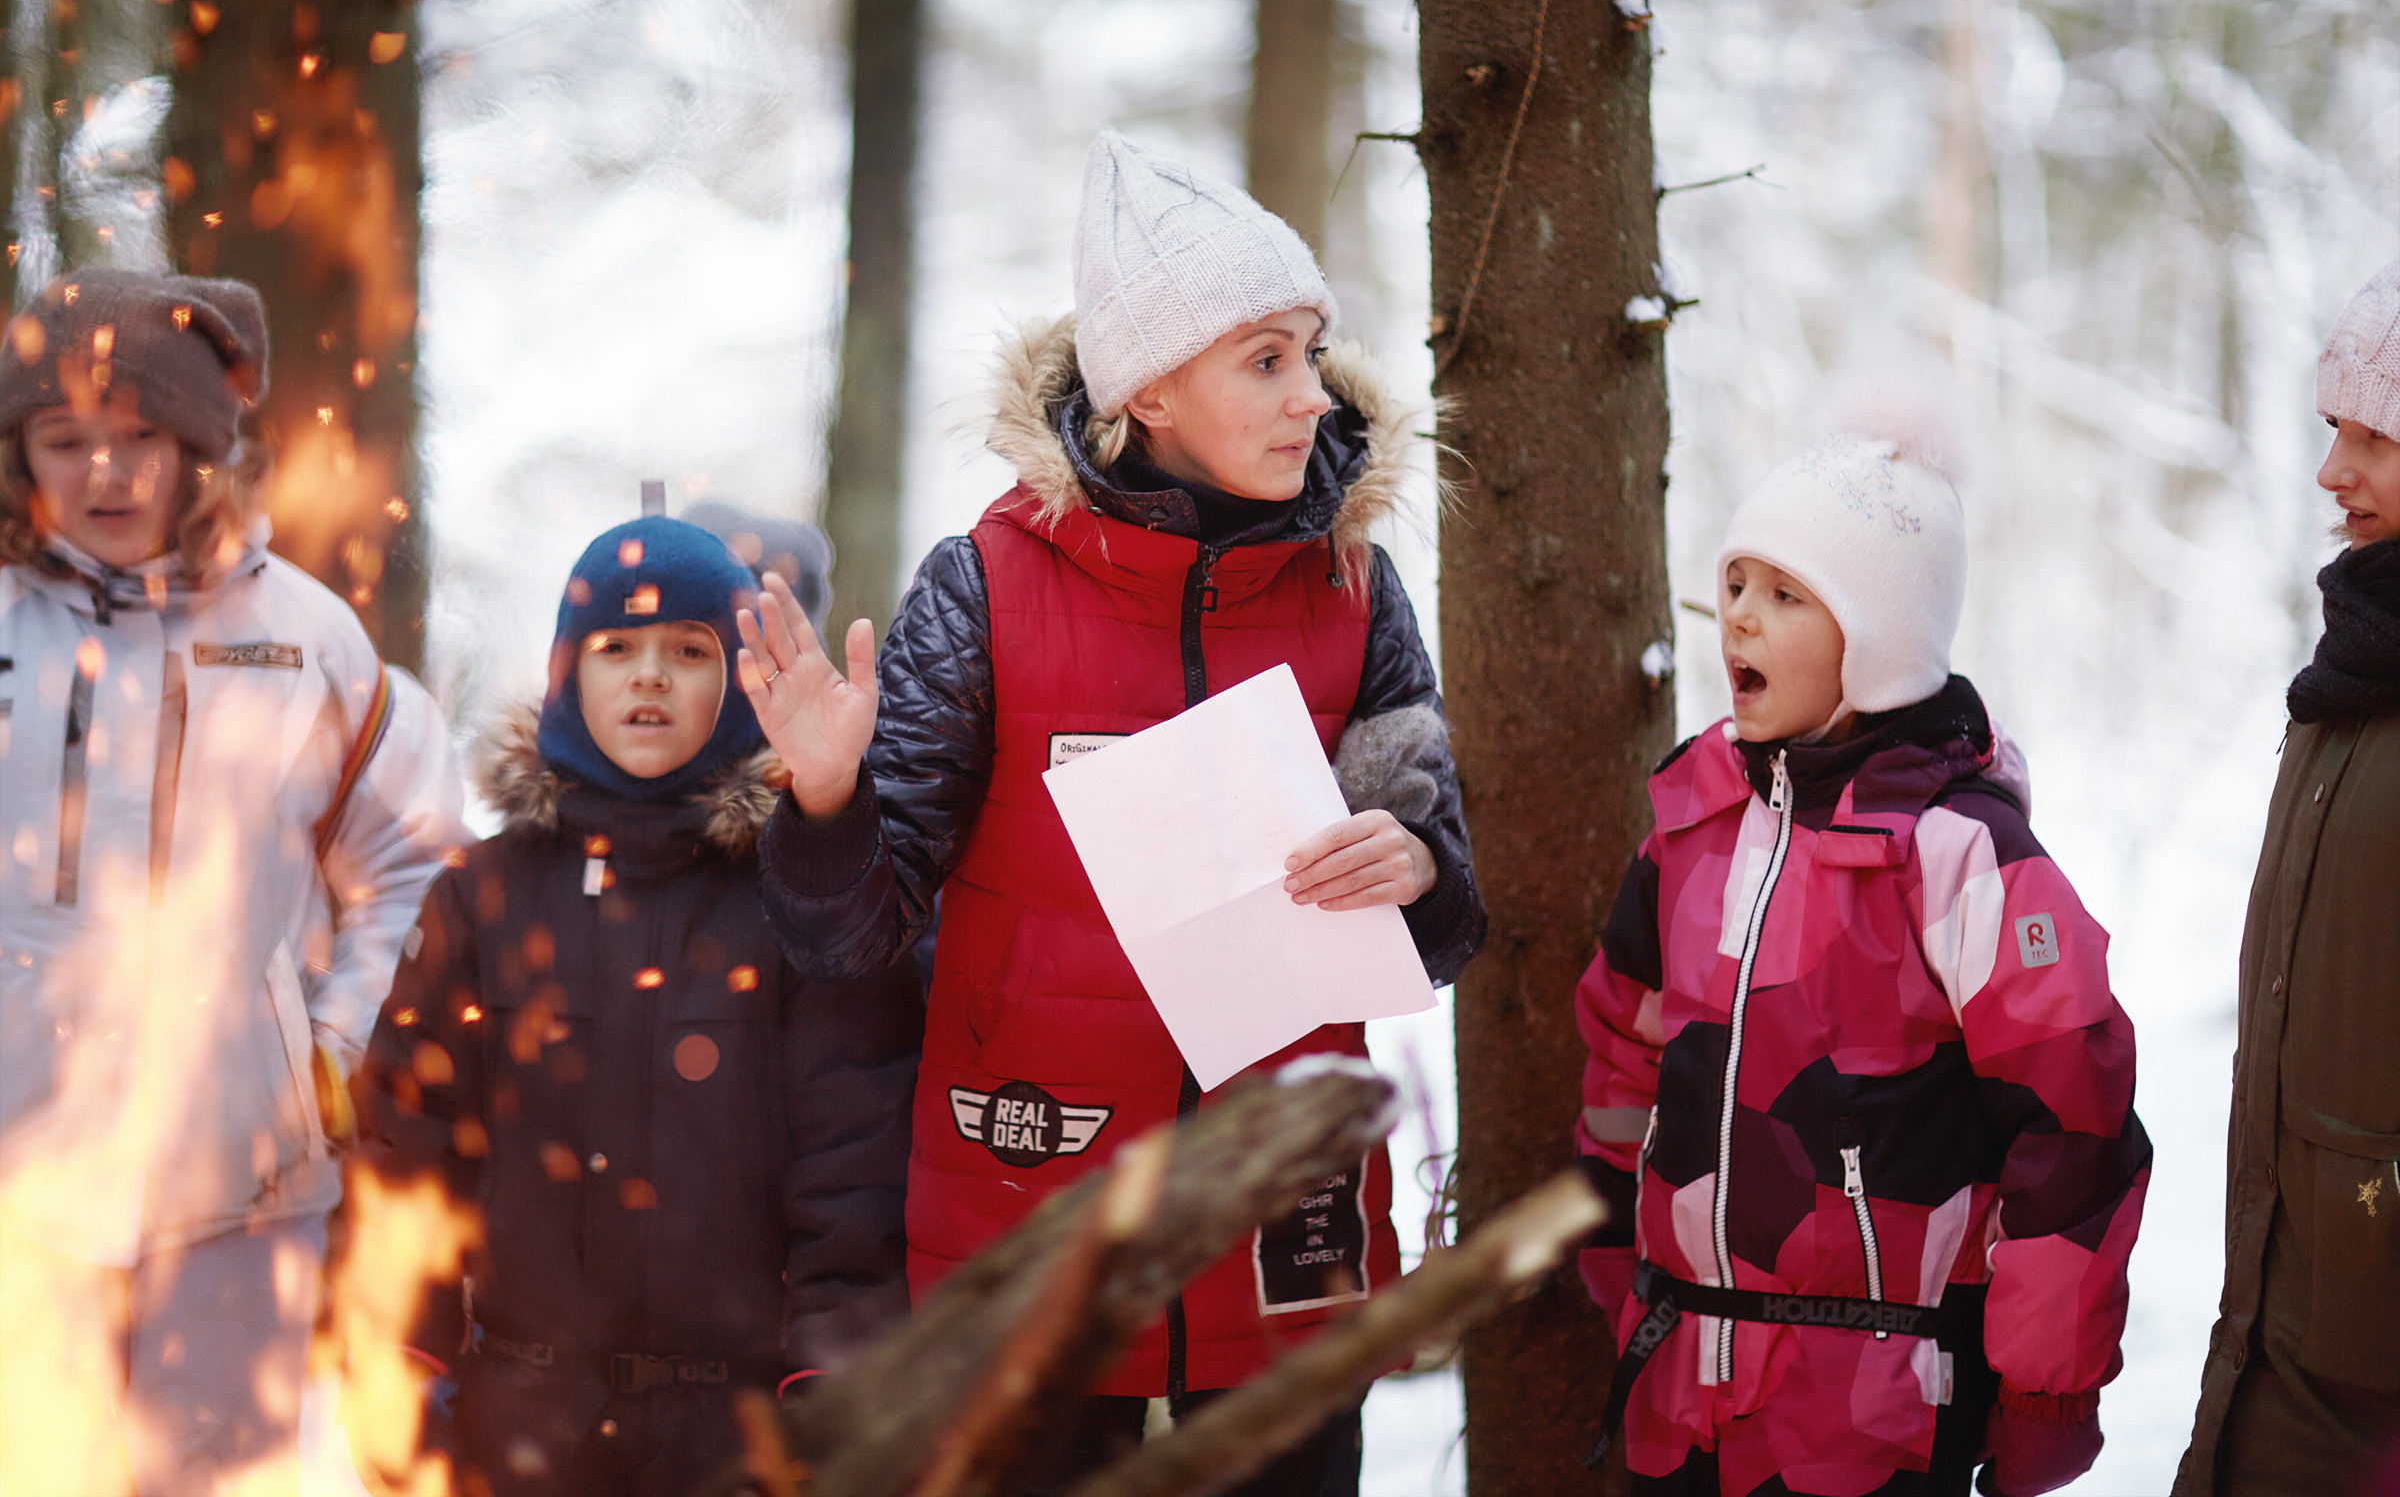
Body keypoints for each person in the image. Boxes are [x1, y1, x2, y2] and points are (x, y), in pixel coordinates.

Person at [740, 129, 1486, 1495]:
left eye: (1311, 355)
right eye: (1266, 360)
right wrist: (833, 795)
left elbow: (1442, 922)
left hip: (1286, 1213)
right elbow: (847, 942)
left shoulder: (1358, 594)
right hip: (1034, 1193)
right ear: (1146, 392)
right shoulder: (984, 585)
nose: (1312, 397)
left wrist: (1416, 868)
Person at [1574, 405, 2150, 1497]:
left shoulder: (1962, 853)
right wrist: (1615, 1259)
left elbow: (2074, 1132)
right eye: (1738, 582)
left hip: (1878, 1413)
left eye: (1788, 596)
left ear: (1879, 646)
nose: (1740, 616)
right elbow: (1624, 1046)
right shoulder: (1694, 816)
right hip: (1678, 1394)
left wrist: (2045, 1393)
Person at [0, 268, 461, 1493]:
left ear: (200, 449)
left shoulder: (303, 638)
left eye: (140, 438)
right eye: (67, 440)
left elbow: (412, 851)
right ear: (22, 454)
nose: (105, 473)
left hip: (237, 1189)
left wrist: (331, 1044)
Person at [357, 514, 920, 1497]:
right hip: (519, 1419)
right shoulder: (484, 897)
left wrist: (827, 1402)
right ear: (567, 672)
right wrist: (403, 1377)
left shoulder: (796, 901)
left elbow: (854, 1167)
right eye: (618, 647)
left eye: (689, 650)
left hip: (736, 1430)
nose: (650, 675)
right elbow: (408, 1147)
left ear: (741, 682)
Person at [2176, 257, 2400, 1496]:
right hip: (2284, 1340)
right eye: (2334, 430)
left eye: (2377, 435)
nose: (2333, 471)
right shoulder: (2345, 685)